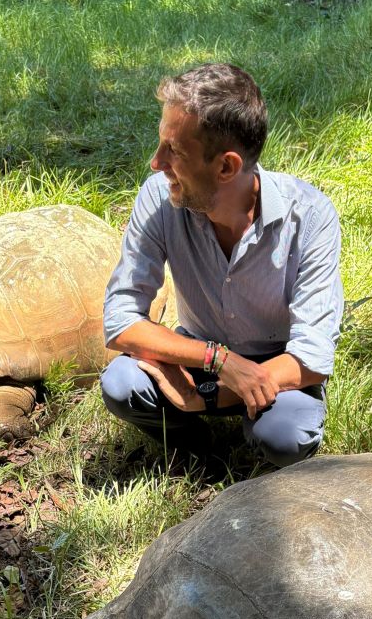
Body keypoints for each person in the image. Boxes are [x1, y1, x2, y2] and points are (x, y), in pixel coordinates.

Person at [100, 63, 344, 468]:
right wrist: (217, 362)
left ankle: (220, 415)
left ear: (226, 166)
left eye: (173, 151)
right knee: (121, 384)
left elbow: (312, 358)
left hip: (277, 368)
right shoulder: (159, 197)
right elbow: (121, 320)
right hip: (198, 357)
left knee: (284, 438)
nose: (155, 163)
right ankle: (193, 440)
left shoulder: (312, 217)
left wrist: (211, 394)